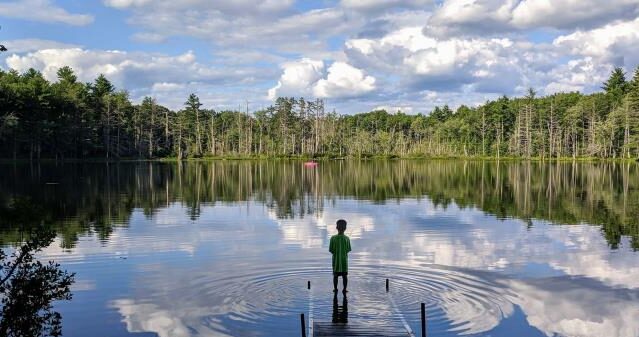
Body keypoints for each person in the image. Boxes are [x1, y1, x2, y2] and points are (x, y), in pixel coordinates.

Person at [329, 219, 351, 293]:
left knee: (335, 276)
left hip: (336, 262)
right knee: (345, 276)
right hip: (344, 261)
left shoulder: (333, 238)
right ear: (345, 228)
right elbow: (348, 250)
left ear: (336, 228)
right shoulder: (347, 239)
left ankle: (335, 289)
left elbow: (331, 250)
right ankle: (344, 289)